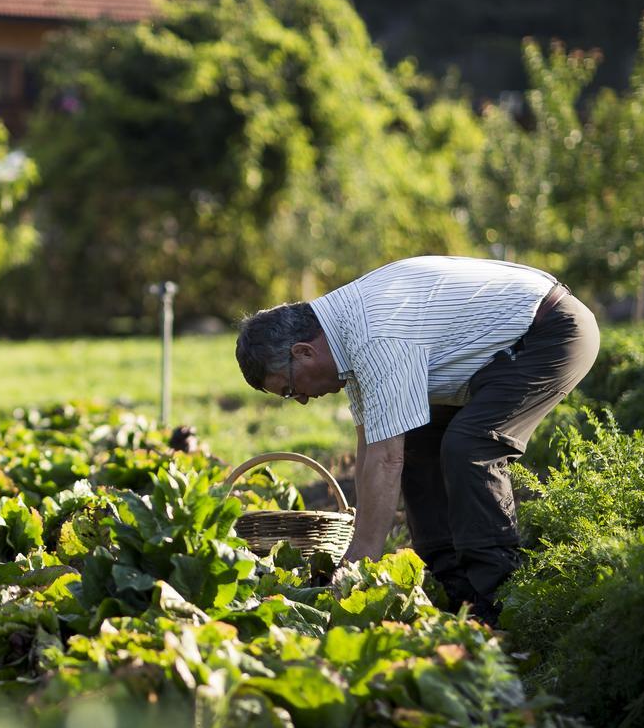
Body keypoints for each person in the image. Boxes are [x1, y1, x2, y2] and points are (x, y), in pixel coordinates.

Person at [235, 255, 600, 624]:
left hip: (549, 333)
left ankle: (502, 600)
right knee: (416, 442)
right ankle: (453, 592)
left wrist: (360, 560)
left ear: (304, 351)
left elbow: (386, 460)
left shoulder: (373, 334)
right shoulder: (346, 338)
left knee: (469, 446)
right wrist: (357, 551)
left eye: (289, 389)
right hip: (498, 354)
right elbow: (371, 449)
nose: (298, 399)